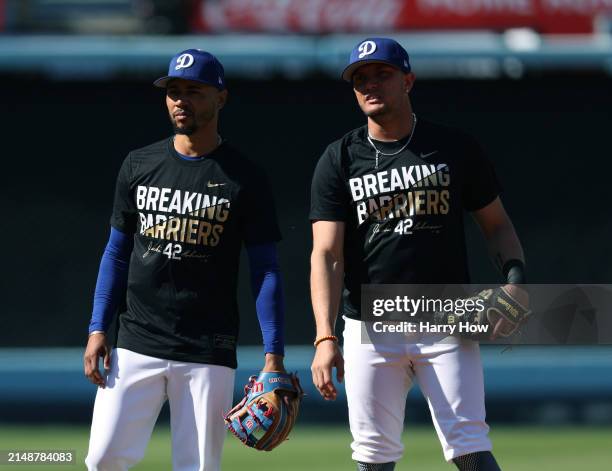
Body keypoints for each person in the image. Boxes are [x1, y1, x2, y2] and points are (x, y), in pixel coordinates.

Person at [309, 38, 527, 471]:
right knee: (373, 457)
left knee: (469, 447)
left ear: (408, 80)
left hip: (444, 316)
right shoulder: (339, 159)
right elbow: (327, 253)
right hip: (370, 322)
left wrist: (515, 283)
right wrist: (324, 336)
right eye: (360, 79)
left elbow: (497, 225)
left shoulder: (453, 148)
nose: (370, 85)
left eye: (382, 75)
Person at [83, 49, 286, 471]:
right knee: (103, 458)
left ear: (221, 99)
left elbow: (265, 268)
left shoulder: (245, 176)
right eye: (173, 91)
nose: (180, 100)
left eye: (193, 91)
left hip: (206, 347)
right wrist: (98, 325)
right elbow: (116, 252)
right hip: (137, 339)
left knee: (196, 467)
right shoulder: (140, 164)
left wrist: (274, 355)